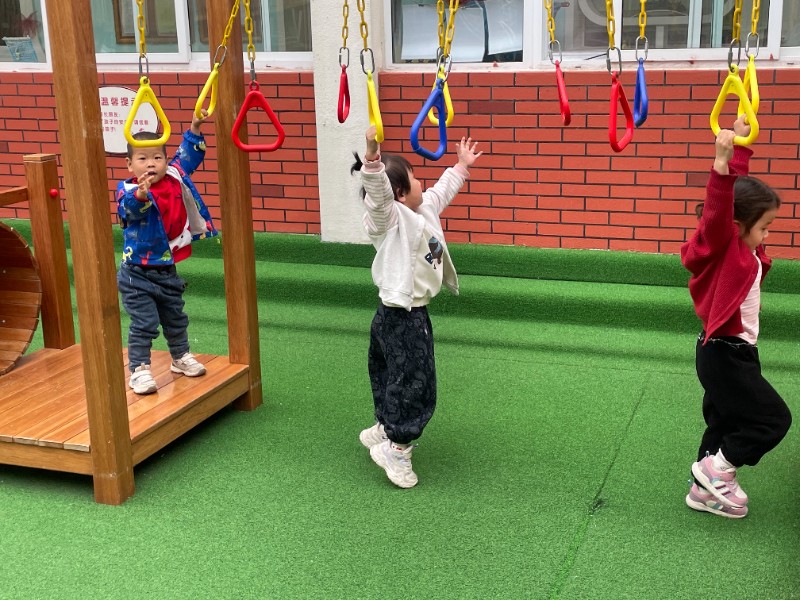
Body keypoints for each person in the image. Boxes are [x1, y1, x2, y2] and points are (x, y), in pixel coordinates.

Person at [351, 126, 483, 488]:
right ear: (399, 193)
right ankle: (397, 447)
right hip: (403, 317)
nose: (420, 182)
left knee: (391, 374)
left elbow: (442, 190)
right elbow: (378, 197)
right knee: (415, 382)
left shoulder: (422, 208)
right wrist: (372, 155)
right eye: (413, 178)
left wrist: (461, 165)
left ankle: (386, 425)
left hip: (399, 315)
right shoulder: (388, 219)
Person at [681, 115, 792, 518]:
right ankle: (718, 470)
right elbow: (718, 214)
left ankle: (704, 491)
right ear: (737, 227)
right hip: (725, 354)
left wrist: (741, 148)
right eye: (764, 227)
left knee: (725, 421)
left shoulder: (746, 247)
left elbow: (737, 200)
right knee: (772, 419)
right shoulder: (722, 245)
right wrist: (721, 165)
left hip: (734, 352)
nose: (768, 234)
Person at [116, 110, 218, 395]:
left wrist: (195, 127)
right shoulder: (127, 190)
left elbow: (188, 155)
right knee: (145, 323)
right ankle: (139, 369)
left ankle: (180, 356)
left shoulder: (174, 175)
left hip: (167, 270)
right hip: (136, 274)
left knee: (175, 318)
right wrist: (141, 194)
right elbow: (128, 209)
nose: (151, 163)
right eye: (142, 158)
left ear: (165, 160)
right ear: (130, 164)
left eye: (157, 157)